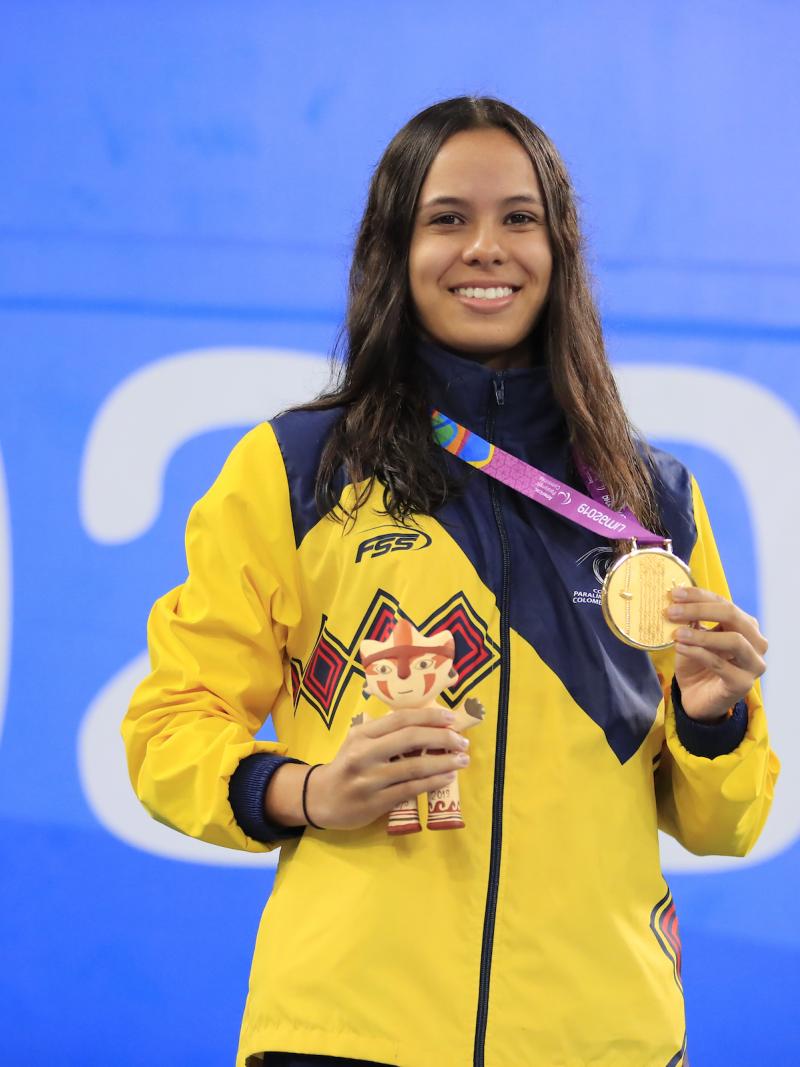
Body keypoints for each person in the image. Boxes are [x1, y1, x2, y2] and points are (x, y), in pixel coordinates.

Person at [122, 97, 779, 1067]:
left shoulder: (650, 499)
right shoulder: (296, 468)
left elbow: (724, 824)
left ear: (558, 247)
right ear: (394, 245)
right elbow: (169, 721)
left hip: (603, 1036)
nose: (486, 247)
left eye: (519, 217)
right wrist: (303, 790)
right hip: (345, 1033)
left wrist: (713, 714)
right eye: (446, 218)